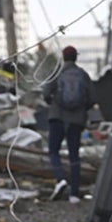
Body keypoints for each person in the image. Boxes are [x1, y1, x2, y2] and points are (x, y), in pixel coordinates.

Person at [43, 45, 95, 203]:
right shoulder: (83, 74)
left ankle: (60, 179)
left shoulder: (57, 73)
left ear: (63, 57)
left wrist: (54, 103)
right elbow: (92, 98)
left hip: (57, 117)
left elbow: (46, 93)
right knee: (74, 156)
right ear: (76, 57)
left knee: (53, 150)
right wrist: (82, 109)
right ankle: (74, 194)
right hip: (76, 120)